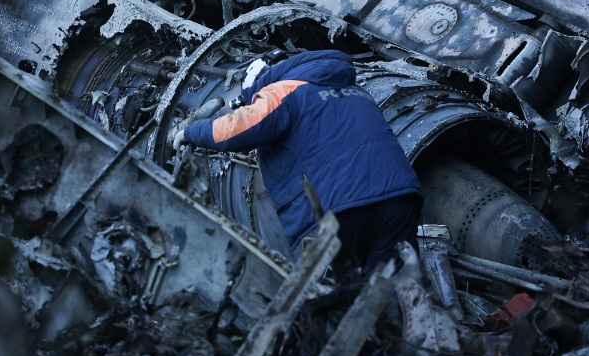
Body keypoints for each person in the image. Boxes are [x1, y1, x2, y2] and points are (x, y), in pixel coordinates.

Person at [179, 48, 423, 273]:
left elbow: (239, 127)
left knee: (333, 305)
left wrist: (190, 132)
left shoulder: (283, 89)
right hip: (401, 200)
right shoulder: (357, 91)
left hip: (341, 209)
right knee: (389, 299)